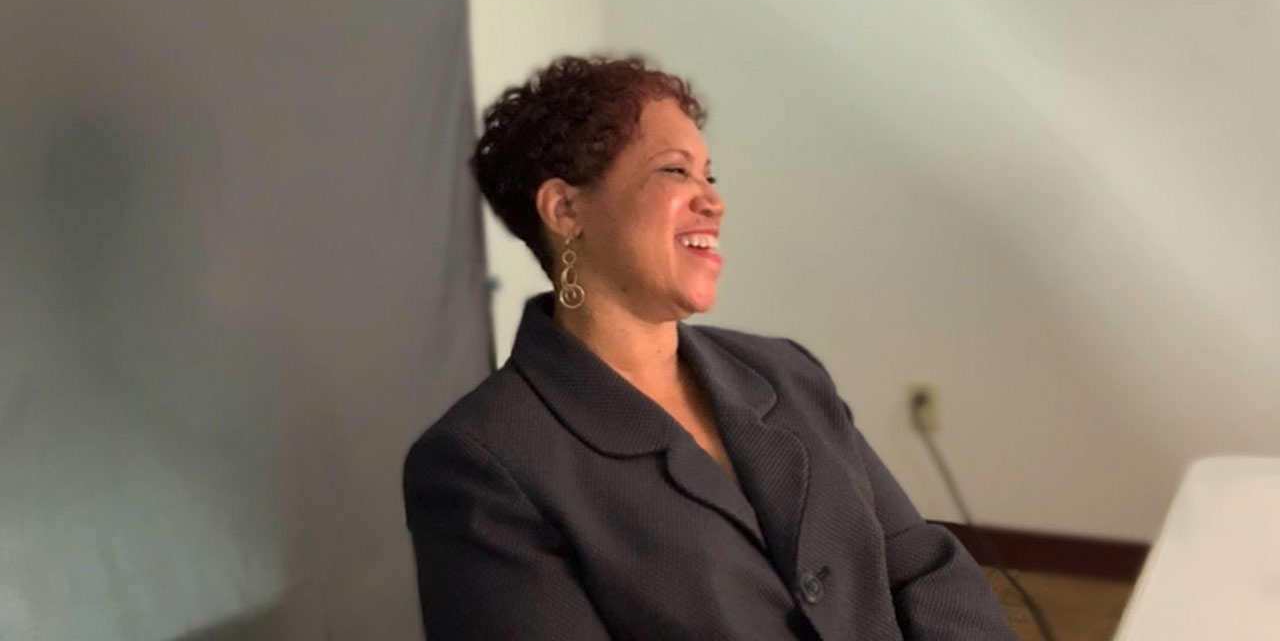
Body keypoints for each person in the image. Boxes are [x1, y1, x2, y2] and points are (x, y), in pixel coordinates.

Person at [402, 55, 1014, 640]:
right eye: (675, 170)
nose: (713, 201)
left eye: (709, 175)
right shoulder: (481, 461)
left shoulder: (787, 372)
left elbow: (923, 568)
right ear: (566, 208)